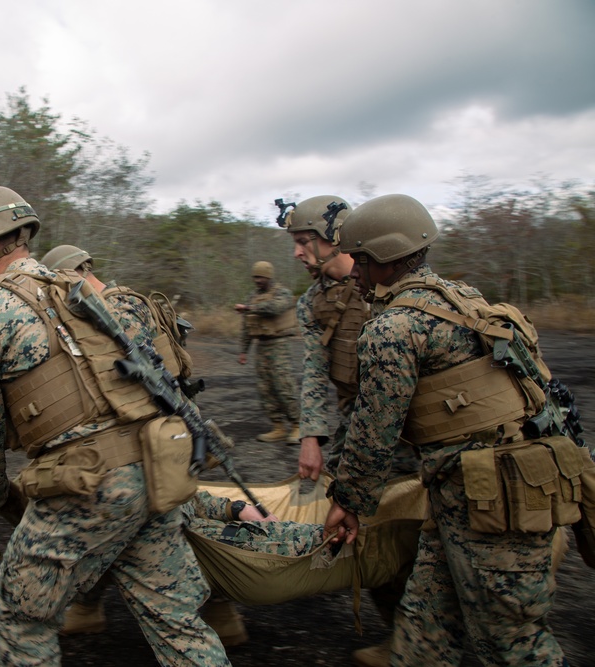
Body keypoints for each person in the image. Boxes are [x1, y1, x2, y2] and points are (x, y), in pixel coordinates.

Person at [0, 186, 230, 666]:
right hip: (153, 467)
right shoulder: (83, 294)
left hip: (90, 483)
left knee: (18, 616)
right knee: (175, 620)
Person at [323, 195, 566, 665]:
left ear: (384, 259)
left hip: (493, 502)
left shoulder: (392, 328)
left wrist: (348, 502)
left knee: (511, 640)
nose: (353, 271)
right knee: (424, 628)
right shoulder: (463, 298)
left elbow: (375, 432)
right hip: (467, 492)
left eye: (360, 259)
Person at [41, 244, 248, 646]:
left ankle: (218, 612)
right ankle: (87, 608)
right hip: (167, 431)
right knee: (139, 524)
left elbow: (142, 379)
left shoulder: (115, 310)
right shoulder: (129, 301)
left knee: (169, 524)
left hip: (159, 435)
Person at [281, 195, 420, 666]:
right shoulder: (313, 302)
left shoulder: (389, 289)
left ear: (334, 238)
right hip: (359, 429)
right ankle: (404, 638)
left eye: (303, 242)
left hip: (411, 434)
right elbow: (316, 372)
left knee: (420, 536)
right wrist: (312, 437)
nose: (297, 253)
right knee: (368, 536)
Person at [235, 261, 300, 444]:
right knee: (266, 389)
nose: (257, 281)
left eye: (261, 277)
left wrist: (249, 308)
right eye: (255, 277)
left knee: (284, 385)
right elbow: (247, 327)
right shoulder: (253, 297)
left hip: (278, 345)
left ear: (269, 276)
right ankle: (278, 426)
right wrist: (243, 351)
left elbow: (275, 308)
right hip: (261, 346)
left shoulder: (282, 293)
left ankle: (297, 425)